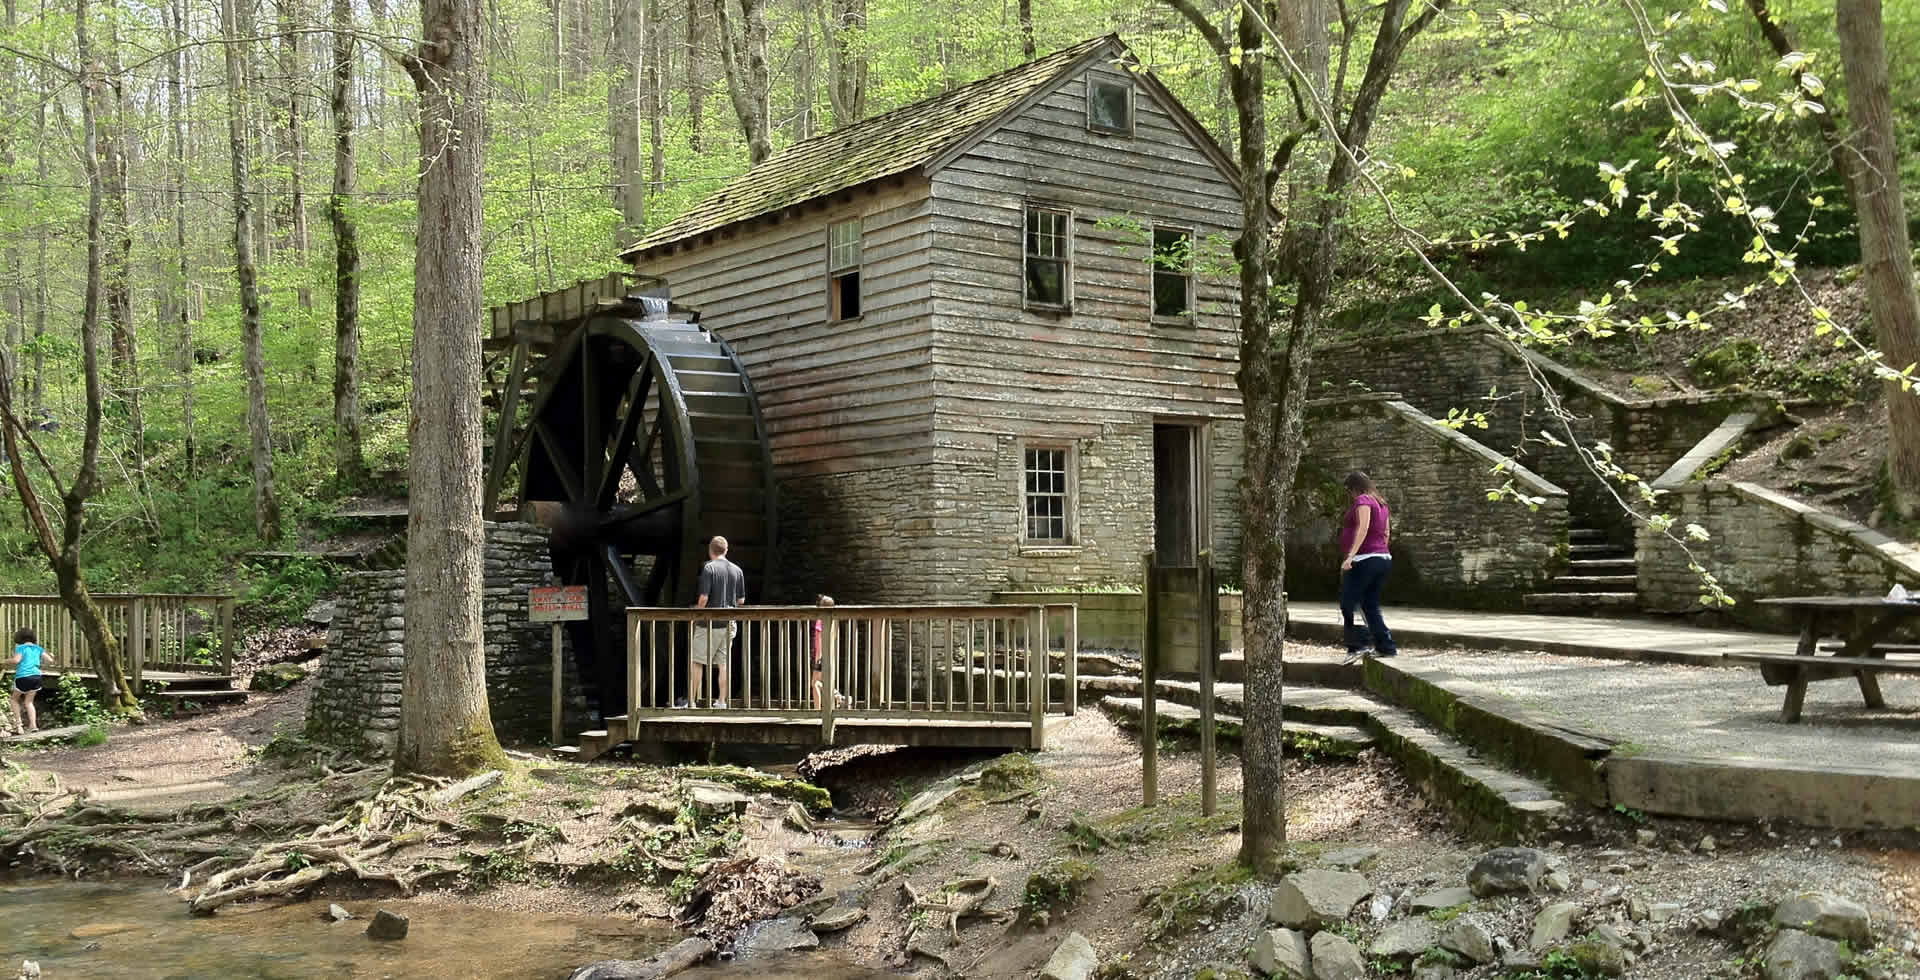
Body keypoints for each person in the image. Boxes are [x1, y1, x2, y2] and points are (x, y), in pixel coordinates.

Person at [1338, 471, 1398, 665]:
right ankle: (1386, 647)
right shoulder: (1381, 502)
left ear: (1355, 487)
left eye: (1350, 491)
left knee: (1348, 602)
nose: (1350, 495)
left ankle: (1358, 645)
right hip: (1382, 558)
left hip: (1365, 559)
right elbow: (1387, 532)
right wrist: (1381, 551)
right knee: (1370, 605)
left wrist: (1351, 556)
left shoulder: (1363, 500)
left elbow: (1362, 528)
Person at [692, 535, 746, 708]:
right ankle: (722, 701)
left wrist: (696, 615)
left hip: (709, 623)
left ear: (710, 551)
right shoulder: (737, 570)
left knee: (697, 661)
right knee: (723, 663)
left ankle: (692, 702)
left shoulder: (709, 568)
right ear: (726, 550)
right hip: (730, 623)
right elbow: (741, 601)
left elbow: (703, 598)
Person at [11, 628, 44, 734]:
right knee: (29, 702)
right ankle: (33, 725)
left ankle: (19, 726)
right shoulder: (38, 648)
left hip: (23, 676)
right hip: (36, 676)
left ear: (20, 638)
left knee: (14, 699)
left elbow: (16, 660)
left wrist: (4, 660)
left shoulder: (21, 648)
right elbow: (50, 660)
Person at [810, 595, 835, 709]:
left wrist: (817, 659)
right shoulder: (832, 621)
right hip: (828, 654)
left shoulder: (820, 621)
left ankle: (817, 710)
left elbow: (819, 641)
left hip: (820, 655)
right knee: (821, 682)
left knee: (814, 683)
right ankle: (840, 697)